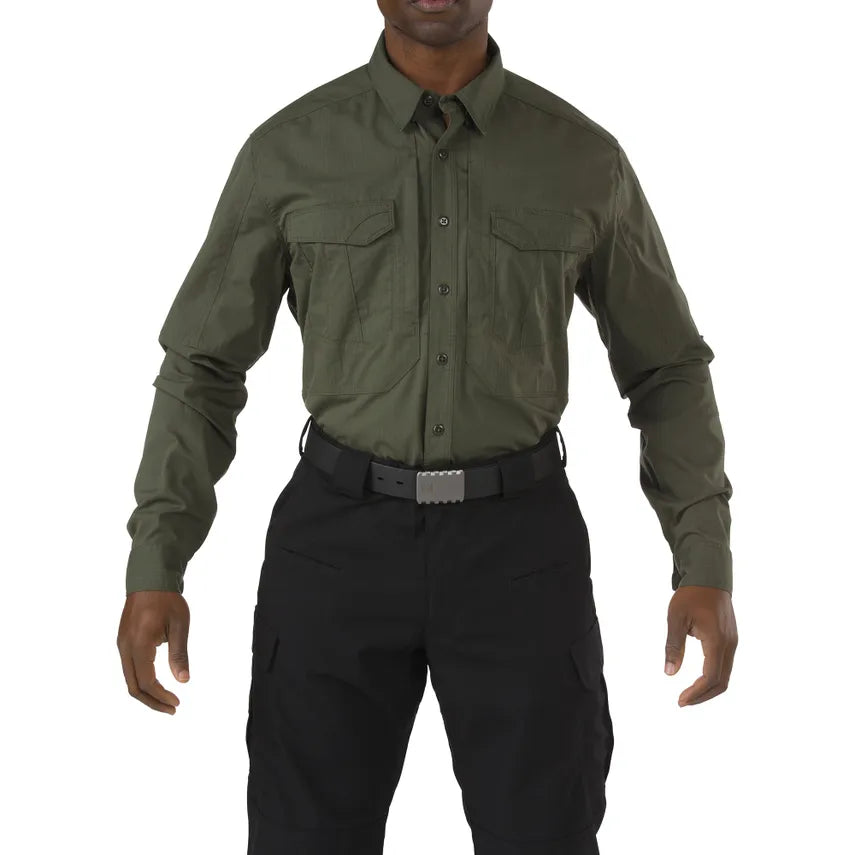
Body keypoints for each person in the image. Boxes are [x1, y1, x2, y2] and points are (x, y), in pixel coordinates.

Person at [117, 1, 738, 852]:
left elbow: (665, 368)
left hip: (520, 552)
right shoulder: (287, 152)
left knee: (545, 835)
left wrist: (702, 559)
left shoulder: (582, 159)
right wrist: (157, 561)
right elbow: (201, 368)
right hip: (335, 547)